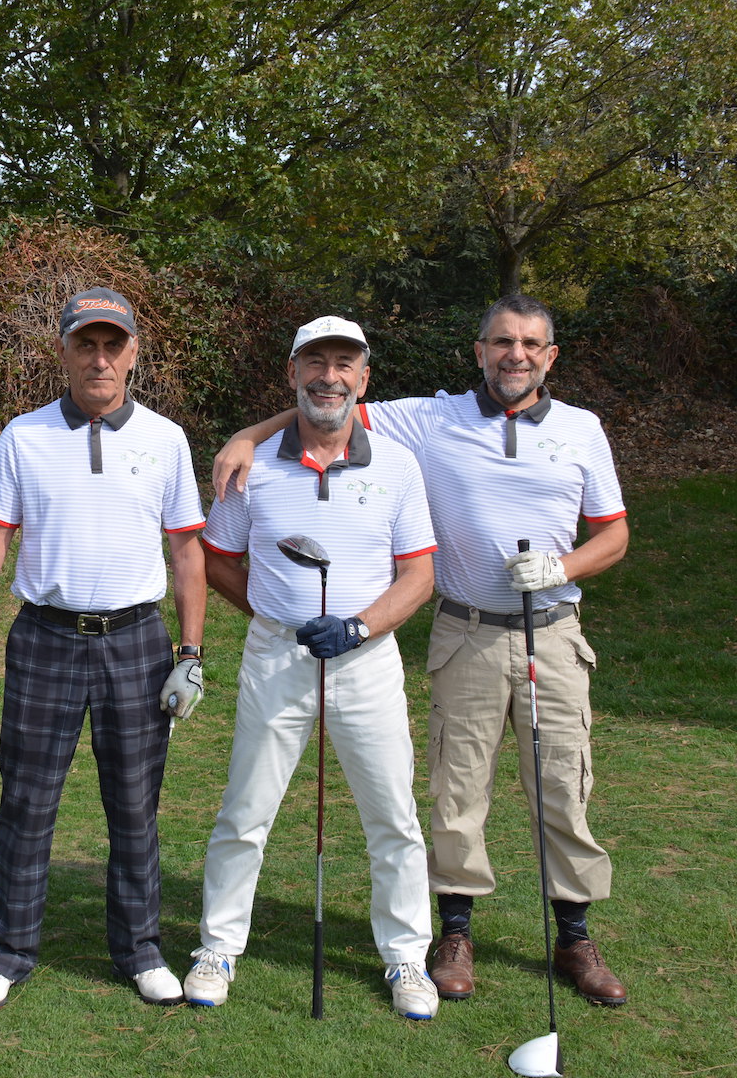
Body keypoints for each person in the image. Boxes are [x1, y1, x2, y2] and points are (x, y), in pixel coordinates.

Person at [212, 294, 631, 1006]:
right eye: (501, 341)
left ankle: (574, 938)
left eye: (530, 344)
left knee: (561, 788)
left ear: (550, 356)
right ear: (479, 349)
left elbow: (615, 535)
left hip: (552, 632)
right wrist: (250, 434)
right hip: (466, 629)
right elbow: (328, 406)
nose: (515, 355)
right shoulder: (432, 419)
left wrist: (563, 567)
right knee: (455, 794)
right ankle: (454, 934)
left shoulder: (583, 430)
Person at [0, 287, 208, 1010]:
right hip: (46, 638)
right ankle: (11, 952)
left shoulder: (166, 439)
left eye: (111, 345)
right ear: (62, 351)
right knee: (26, 803)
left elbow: (186, 555)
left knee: (134, 806)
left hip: (138, 641)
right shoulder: (22, 437)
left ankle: (140, 948)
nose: (99, 358)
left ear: (133, 354)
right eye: (84, 344)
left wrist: (191, 653)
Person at [182, 316, 442, 1020]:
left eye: (344, 363)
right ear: (292, 374)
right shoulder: (251, 465)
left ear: (364, 378)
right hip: (278, 657)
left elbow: (418, 576)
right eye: (315, 362)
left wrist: (359, 625)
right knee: (245, 812)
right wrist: (273, 613)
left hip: (368, 662)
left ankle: (406, 958)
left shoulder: (396, 466)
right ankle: (217, 946)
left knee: (393, 818)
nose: (329, 375)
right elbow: (216, 559)